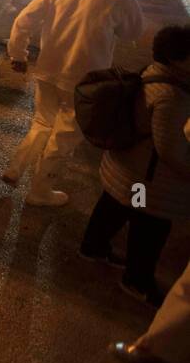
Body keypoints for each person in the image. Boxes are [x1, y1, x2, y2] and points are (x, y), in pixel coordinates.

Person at [4, 0, 143, 206]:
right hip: (86, 83)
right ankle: (40, 191)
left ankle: (16, 168)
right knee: (65, 135)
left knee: (43, 122)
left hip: (48, 70)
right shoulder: (122, 2)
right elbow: (132, 34)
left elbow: (24, 20)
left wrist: (18, 54)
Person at [81, 25, 190, 306]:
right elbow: (171, 150)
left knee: (114, 205)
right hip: (149, 178)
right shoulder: (171, 97)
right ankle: (136, 281)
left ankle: (93, 248)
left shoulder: (150, 72)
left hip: (126, 166)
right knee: (150, 227)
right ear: (178, 59)